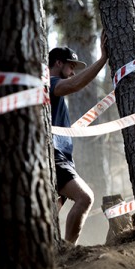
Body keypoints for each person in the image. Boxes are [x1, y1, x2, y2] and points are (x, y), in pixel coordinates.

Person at [48, 42, 108, 245]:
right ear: (58, 63)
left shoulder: (54, 85)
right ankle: (68, 252)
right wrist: (102, 60)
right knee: (85, 198)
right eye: (71, 66)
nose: (73, 72)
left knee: (50, 214)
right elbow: (74, 85)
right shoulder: (51, 82)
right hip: (54, 156)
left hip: (61, 157)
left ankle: (53, 254)